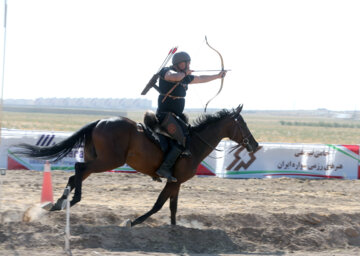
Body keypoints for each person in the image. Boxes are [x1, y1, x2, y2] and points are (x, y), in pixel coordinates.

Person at [155, 51, 227, 182]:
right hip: (164, 116)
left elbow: (200, 78)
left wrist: (218, 76)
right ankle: (164, 169)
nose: (189, 65)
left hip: (176, 116)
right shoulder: (166, 71)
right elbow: (173, 77)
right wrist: (185, 74)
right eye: (186, 63)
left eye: (189, 63)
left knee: (188, 137)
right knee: (181, 140)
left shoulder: (185, 76)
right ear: (178, 64)